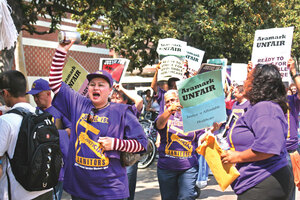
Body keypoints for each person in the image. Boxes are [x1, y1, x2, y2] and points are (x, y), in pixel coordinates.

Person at [48, 40, 148, 200]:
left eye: (101, 85)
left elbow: (142, 144)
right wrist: (61, 50)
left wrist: (115, 144)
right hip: (80, 188)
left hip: (109, 190)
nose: (96, 87)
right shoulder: (78, 103)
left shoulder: (121, 111)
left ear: (109, 90)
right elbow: (54, 83)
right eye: (92, 84)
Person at [220, 64, 294, 200]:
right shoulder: (259, 107)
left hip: (263, 182)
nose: (244, 82)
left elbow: (268, 147)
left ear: (258, 84)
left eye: (247, 78)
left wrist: (238, 157)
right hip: (256, 182)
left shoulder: (266, 108)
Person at [0, 70, 52, 200]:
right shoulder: (41, 115)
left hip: (19, 193)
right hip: (46, 188)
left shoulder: (6, 121)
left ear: (5, 93)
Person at [26, 78, 71, 200]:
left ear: (48, 93)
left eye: (37, 95)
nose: (35, 99)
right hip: (39, 164)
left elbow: (72, 130)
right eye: (33, 96)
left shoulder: (61, 109)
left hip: (57, 164)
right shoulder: (33, 113)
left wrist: (53, 134)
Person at [154, 89, 203, 200]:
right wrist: (169, 111)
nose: (170, 103)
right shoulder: (164, 116)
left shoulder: (193, 116)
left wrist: (212, 131)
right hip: (166, 168)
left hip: (188, 166)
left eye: (173, 100)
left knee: (187, 197)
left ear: (179, 100)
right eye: (167, 101)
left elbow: (201, 136)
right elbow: (159, 125)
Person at [110, 83, 143, 200]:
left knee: (127, 192)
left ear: (125, 102)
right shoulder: (105, 112)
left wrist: (122, 88)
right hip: (110, 159)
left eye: (117, 98)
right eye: (112, 97)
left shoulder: (129, 112)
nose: (114, 100)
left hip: (127, 159)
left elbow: (139, 100)